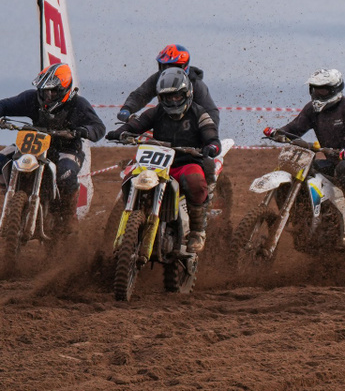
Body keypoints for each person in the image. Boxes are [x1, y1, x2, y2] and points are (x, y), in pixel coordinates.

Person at [108, 67, 221, 253]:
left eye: (177, 96)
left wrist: (212, 146)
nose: (173, 100)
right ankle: (130, 220)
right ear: (161, 98)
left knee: (195, 181)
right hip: (157, 163)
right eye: (168, 97)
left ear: (187, 93)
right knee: (130, 176)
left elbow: (211, 134)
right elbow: (137, 124)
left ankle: (197, 231)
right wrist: (120, 132)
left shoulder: (199, 113)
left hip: (186, 162)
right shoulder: (157, 112)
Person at [265, 69, 345, 242]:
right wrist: (277, 133)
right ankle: (307, 219)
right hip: (333, 160)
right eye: (315, 89)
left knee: (344, 168)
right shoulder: (312, 110)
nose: (317, 93)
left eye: (322, 90)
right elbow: (295, 128)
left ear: (334, 90)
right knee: (305, 170)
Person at [0, 63, 106, 221]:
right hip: (35, 143)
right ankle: (10, 188)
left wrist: (82, 131)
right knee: (1, 159)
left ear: (64, 90)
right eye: (44, 91)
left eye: (52, 92)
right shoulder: (31, 98)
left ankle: (66, 217)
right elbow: (4, 105)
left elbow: (98, 127)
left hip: (66, 149)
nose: (47, 96)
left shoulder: (78, 104)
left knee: (66, 176)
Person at [119, 43, 219, 129]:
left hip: (189, 128)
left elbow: (210, 112)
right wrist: (127, 108)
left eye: (171, 66)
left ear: (182, 66)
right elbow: (141, 94)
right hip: (165, 126)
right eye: (165, 66)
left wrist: (208, 134)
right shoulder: (158, 78)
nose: (168, 70)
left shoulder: (196, 84)